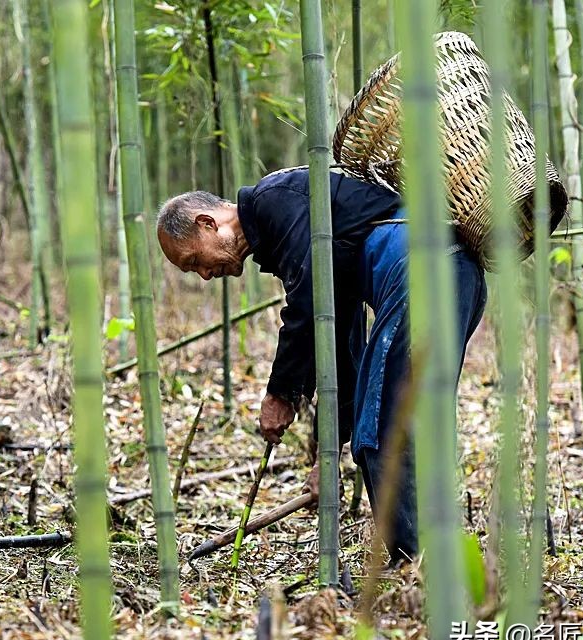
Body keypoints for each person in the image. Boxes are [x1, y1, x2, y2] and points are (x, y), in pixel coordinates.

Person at [155, 166, 488, 563]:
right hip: (452, 275)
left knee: (384, 432)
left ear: (208, 223)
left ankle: (423, 566)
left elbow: (308, 305)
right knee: (400, 423)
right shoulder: (288, 231)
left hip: (423, 274)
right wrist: (327, 454)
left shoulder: (275, 200)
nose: (207, 275)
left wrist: (280, 393)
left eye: (195, 261)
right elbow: (340, 343)